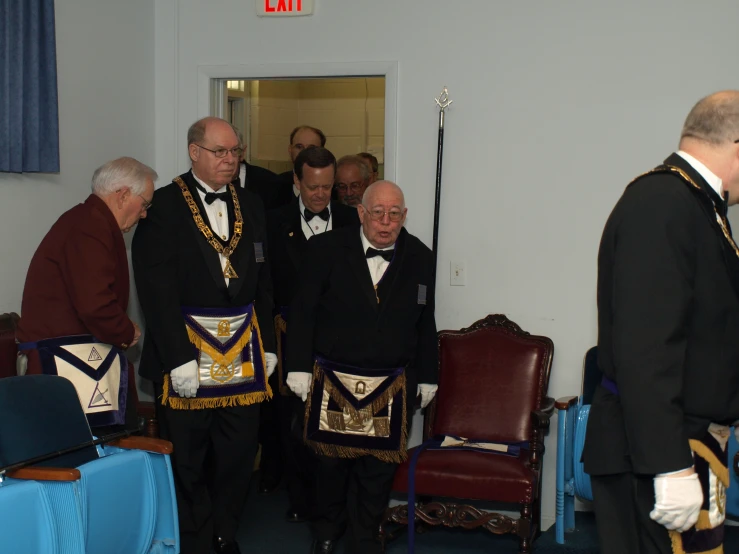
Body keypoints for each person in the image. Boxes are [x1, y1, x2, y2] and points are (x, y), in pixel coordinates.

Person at [583, 90, 739, 554]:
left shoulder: (699, 204)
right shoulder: (663, 202)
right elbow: (646, 347)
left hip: (685, 443)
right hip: (658, 452)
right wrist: (670, 467)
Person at [132, 116, 277, 554]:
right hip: (187, 355)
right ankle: (193, 538)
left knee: (237, 454)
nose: (230, 160)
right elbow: (154, 290)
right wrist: (177, 358)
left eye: (236, 152)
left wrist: (268, 343)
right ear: (194, 152)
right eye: (221, 152)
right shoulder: (161, 206)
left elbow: (264, 281)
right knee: (189, 456)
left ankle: (224, 532)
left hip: (242, 355)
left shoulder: (251, 204)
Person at [286, 180, 439, 554]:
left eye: (394, 215)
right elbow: (302, 312)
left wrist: (429, 374)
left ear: (404, 216)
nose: (385, 223)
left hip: (390, 384)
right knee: (329, 466)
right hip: (333, 379)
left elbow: (425, 321)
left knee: (377, 471)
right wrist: (297, 367)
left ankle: (365, 539)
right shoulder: (324, 249)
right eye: (378, 214)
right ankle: (326, 532)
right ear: (360, 213)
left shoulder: (421, 256)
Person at [16, 156, 155, 429]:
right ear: (123, 195)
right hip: (62, 363)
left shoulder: (87, 221)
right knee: (81, 452)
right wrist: (126, 331)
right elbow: (95, 305)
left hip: (70, 357)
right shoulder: (89, 227)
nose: (144, 213)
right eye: (145, 203)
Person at [264, 146, 359, 520]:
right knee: (294, 420)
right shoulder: (273, 222)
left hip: (340, 338)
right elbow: (265, 285)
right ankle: (300, 500)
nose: (320, 195)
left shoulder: (354, 221)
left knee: (340, 420)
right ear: (296, 182)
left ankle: (338, 502)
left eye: (327, 187)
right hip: (289, 337)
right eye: (313, 187)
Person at [273, 125, 326, 207]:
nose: (304, 152)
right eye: (299, 147)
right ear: (290, 150)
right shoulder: (274, 186)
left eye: (311, 148)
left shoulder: (334, 188)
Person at [231, 127, 281, 209]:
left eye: (234, 151)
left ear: (243, 153)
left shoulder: (271, 183)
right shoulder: (205, 184)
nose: (227, 158)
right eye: (219, 151)